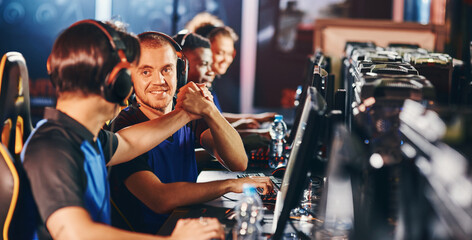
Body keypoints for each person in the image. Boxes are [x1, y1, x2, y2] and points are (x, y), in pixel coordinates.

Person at [21, 20, 224, 240]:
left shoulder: (86, 138)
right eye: (129, 73)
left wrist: (187, 112)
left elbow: (130, 143)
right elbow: (73, 232)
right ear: (114, 80)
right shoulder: (52, 147)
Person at [109, 31, 274, 234]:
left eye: (166, 69)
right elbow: (159, 199)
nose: (159, 80)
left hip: (188, 225)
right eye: (146, 72)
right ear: (131, 77)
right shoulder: (124, 124)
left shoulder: (187, 116)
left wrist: (209, 109)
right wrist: (231, 185)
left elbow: (238, 161)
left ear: (180, 73)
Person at [185, 13, 276, 130]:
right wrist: (240, 127)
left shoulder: (208, 83)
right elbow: (204, 131)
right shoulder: (194, 85)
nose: (226, 60)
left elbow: (216, 117)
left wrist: (256, 118)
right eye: (219, 53)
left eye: (229, 54)